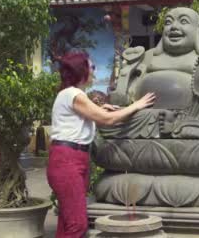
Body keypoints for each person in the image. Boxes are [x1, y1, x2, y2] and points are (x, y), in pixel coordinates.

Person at [47, 51, 155, 238]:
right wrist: (136, 105)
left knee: (67, 221)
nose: (94, 72)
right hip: (67, 160)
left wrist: (99, 109)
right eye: (92, 67)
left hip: (74, 158)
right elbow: (106, 120)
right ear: (81, 70)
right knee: (77, 225)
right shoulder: (73, 94)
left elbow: (88, 117)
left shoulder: (73, 95)